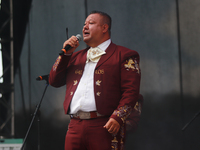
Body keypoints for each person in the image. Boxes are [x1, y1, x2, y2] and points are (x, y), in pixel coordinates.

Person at [49, 10, 141, 150]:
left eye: (91, 23)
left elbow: (131, 91)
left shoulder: (124, 55)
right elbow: (54, 81)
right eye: (84, 24)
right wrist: (66, 55)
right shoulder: (75, 56)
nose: (84, 27)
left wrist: (118, 117)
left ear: (104, 28)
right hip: (75, 125)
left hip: (104, 124)